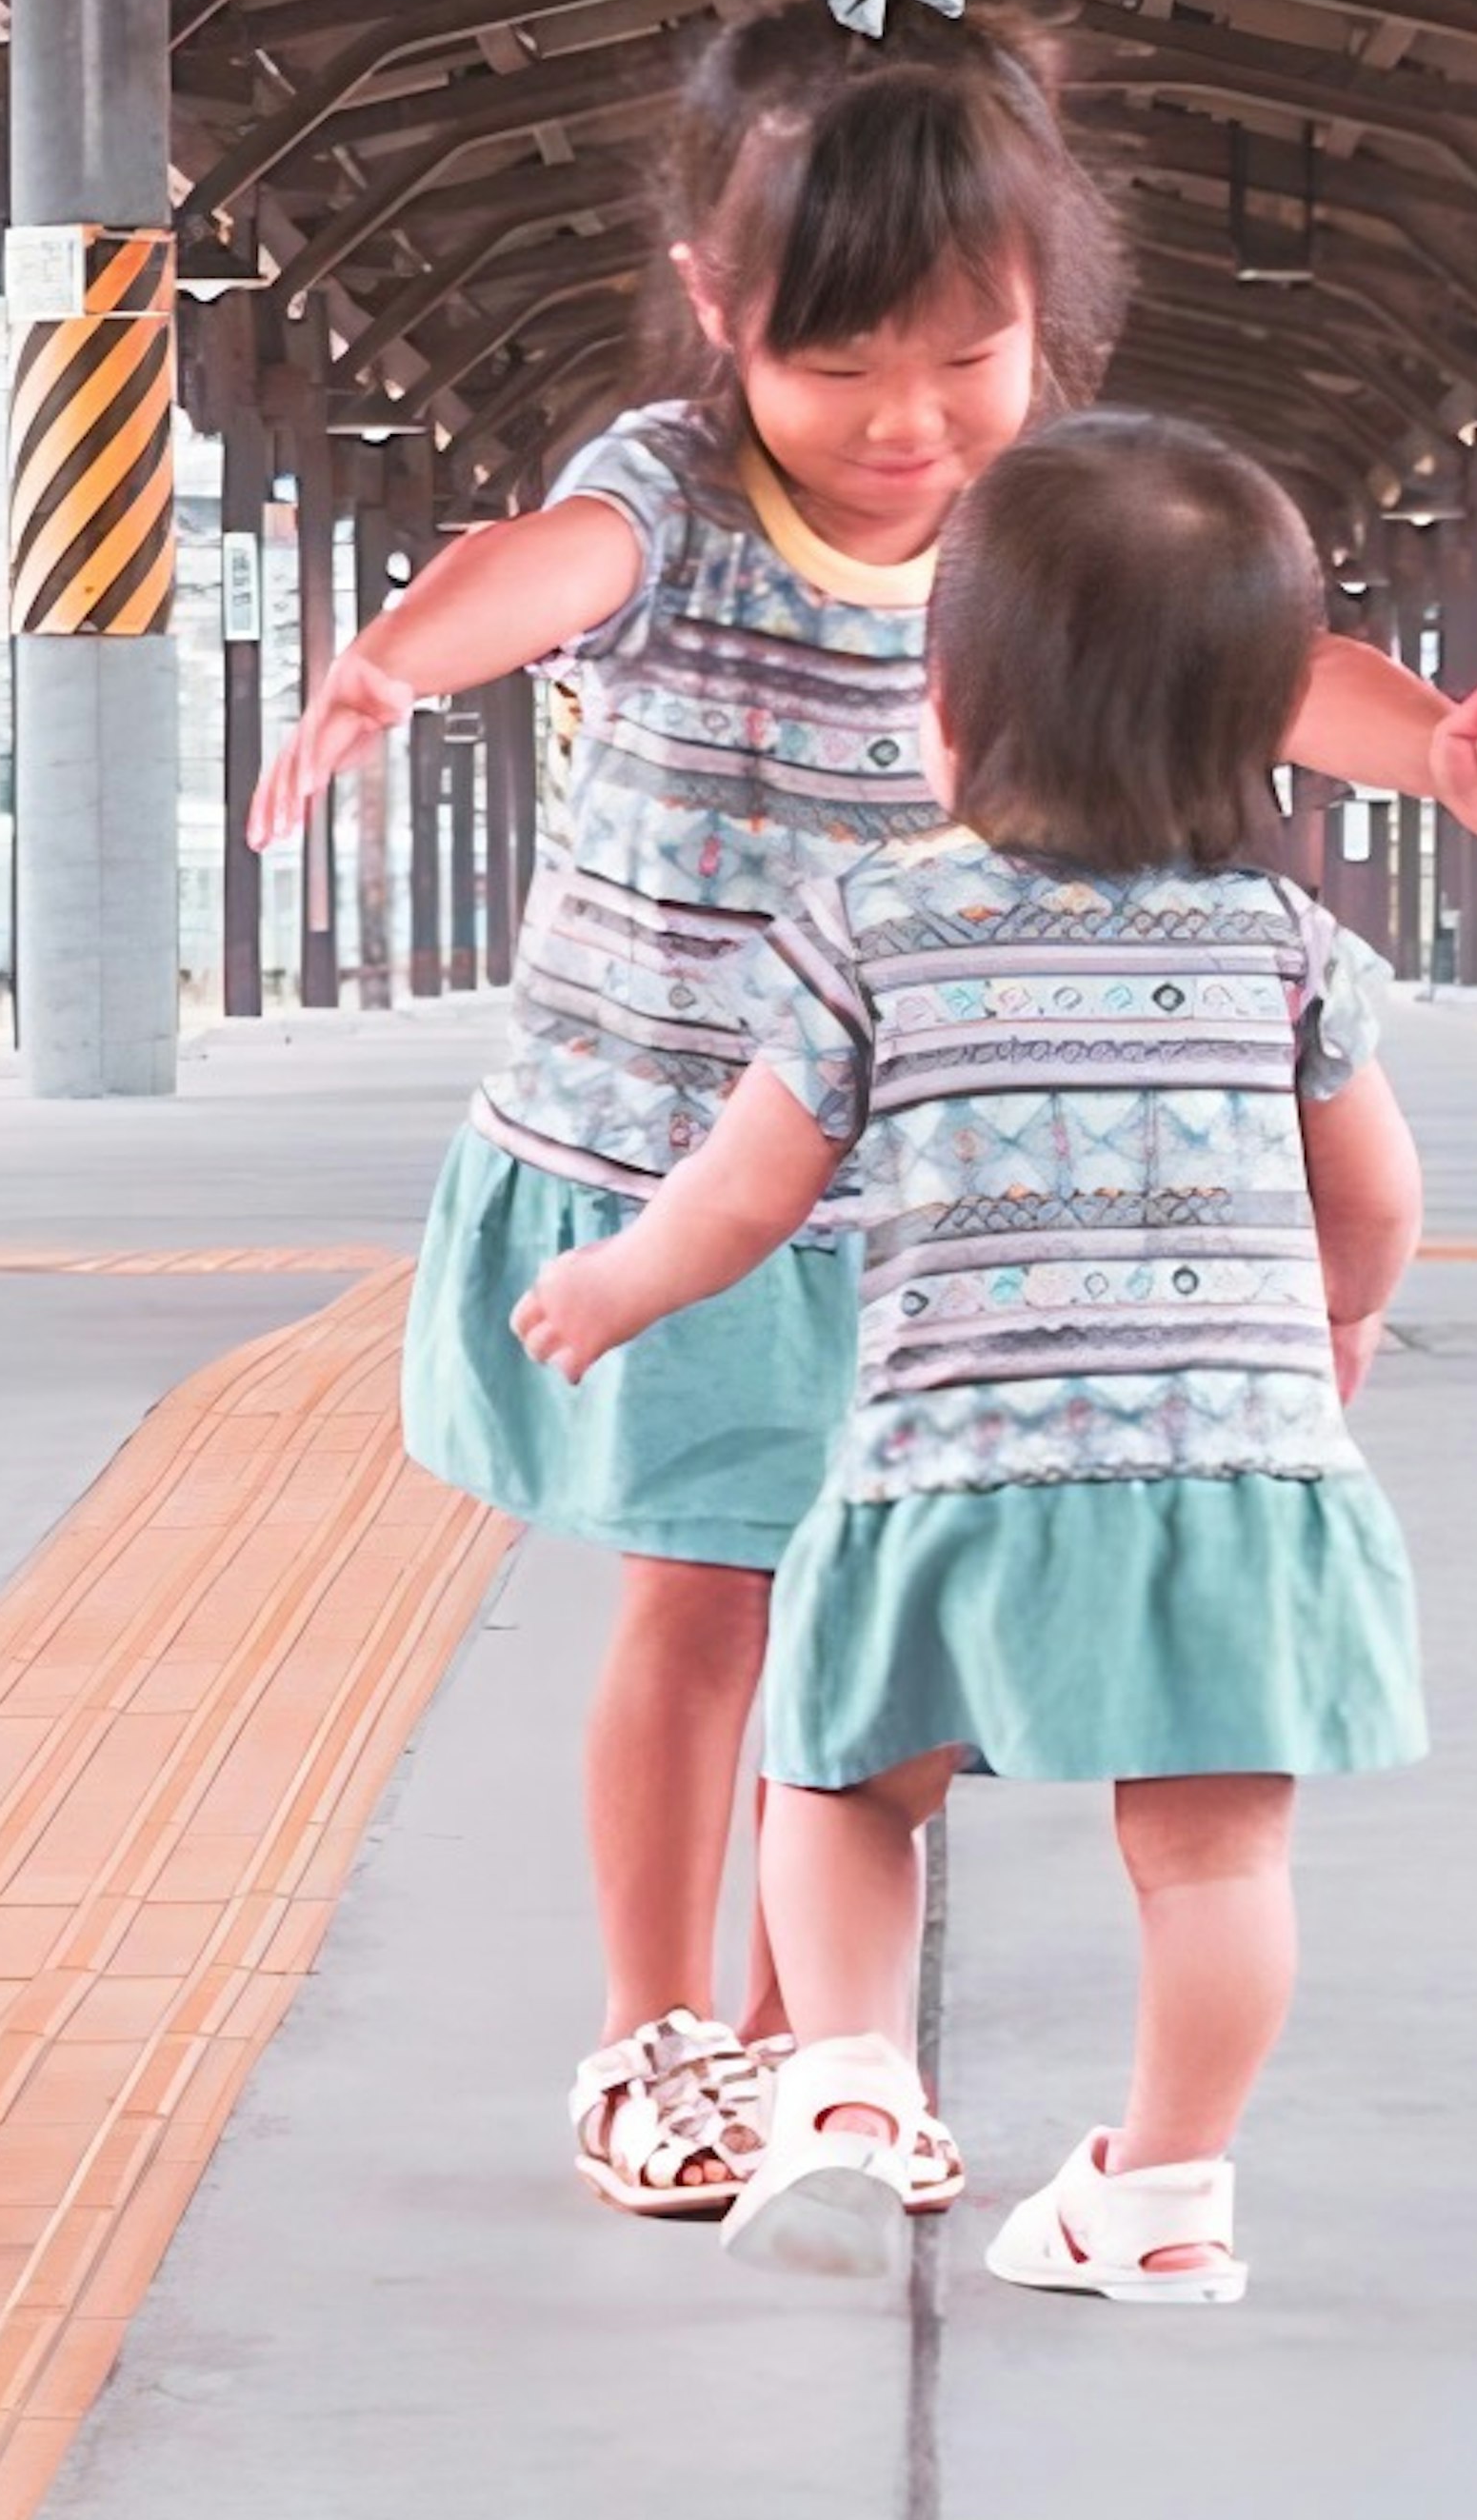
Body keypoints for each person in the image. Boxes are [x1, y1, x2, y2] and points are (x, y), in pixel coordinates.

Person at [253, 0, 1477, 2229]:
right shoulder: (667, 485)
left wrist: (1449, 762)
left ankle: (797, 2050)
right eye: (831, 364)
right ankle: (662, 2034)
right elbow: (540, 571)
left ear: (1048, 331)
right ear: (710, 309)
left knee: (878, 1654)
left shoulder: (1052, 515)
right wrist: (389, 660)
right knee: (701, 1595)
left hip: (944, 1195)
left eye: (963, 362)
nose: (899, 425)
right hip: (679, 1154)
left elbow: (1266, 675)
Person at [512, 409, 1424, 2312]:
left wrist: (617, 1286)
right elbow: (1379, 1195)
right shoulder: (1286, 950)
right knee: (1213, 1863)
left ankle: (842, 2092)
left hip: (956, 1478)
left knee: (846, 1790)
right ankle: (1168, 2188)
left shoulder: (874, 929)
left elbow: (748, 1193)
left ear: (954, 701)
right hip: (1229, 1486)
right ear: (1258, 727)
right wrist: (1332, 1326)